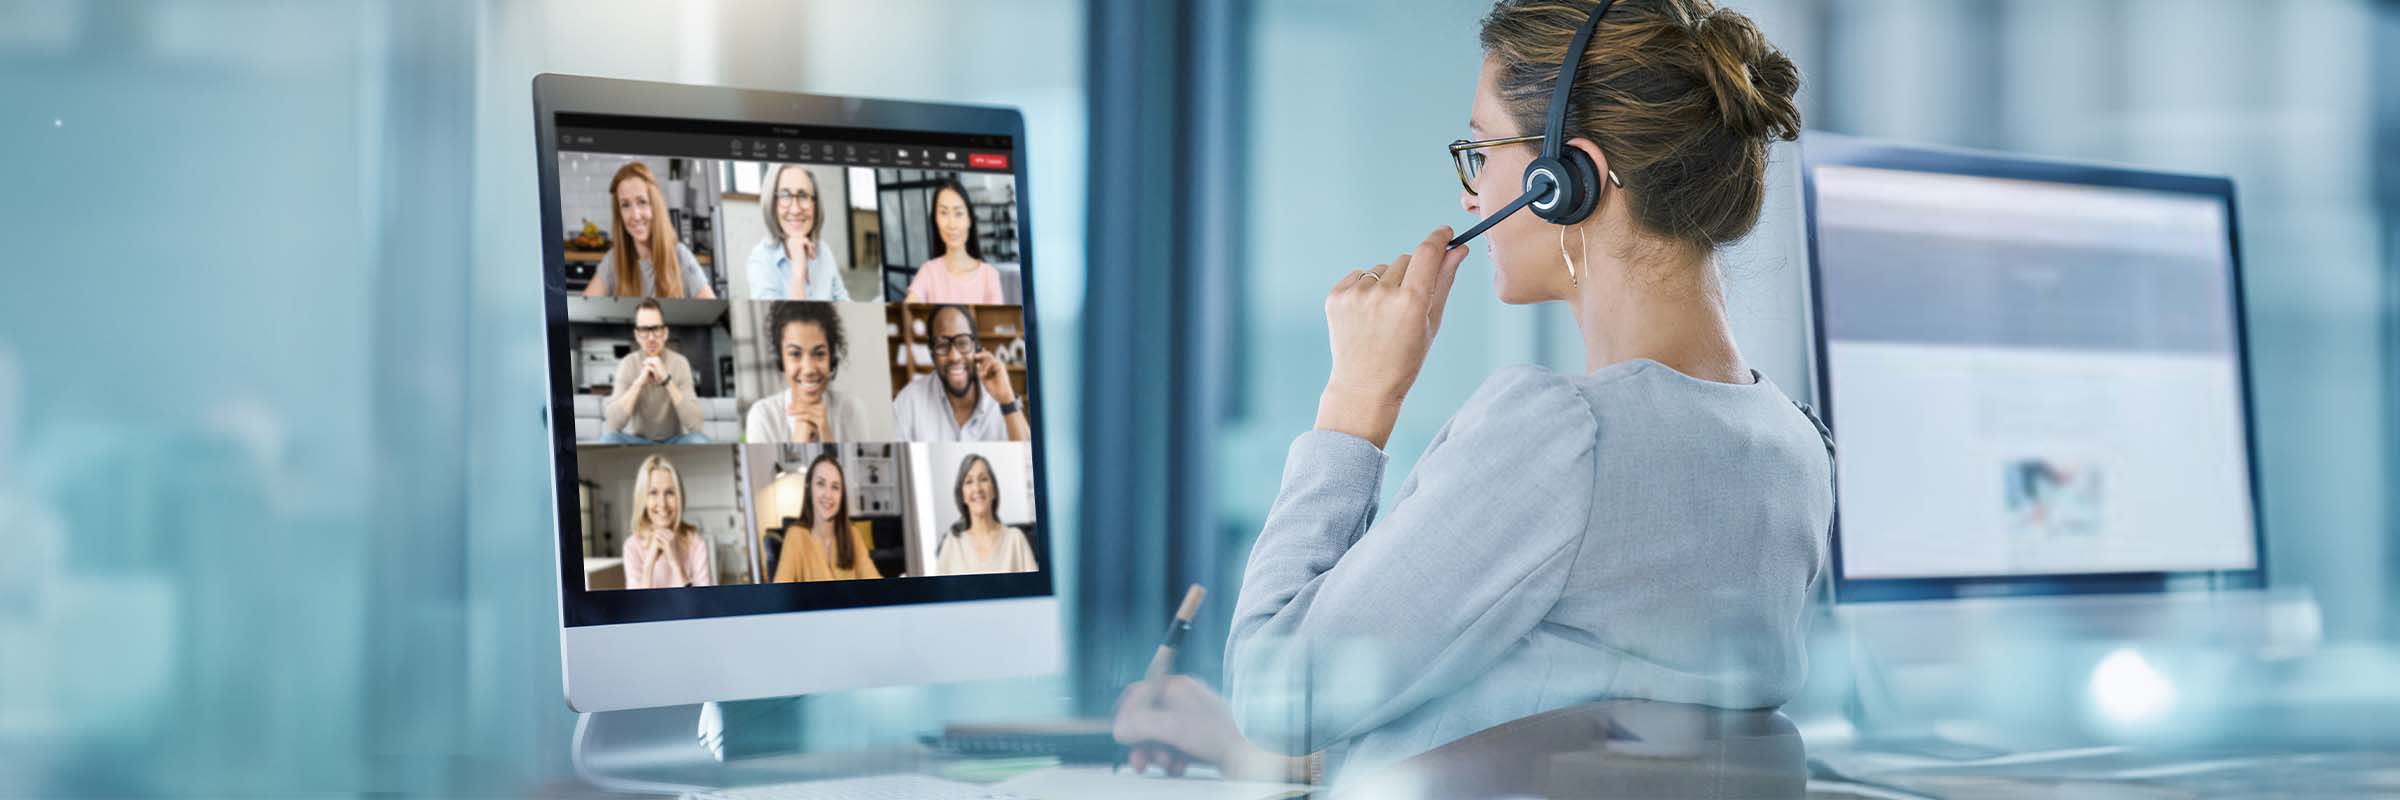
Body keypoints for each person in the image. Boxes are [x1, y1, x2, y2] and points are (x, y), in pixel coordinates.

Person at [1110, 0, 1830, 788]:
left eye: (1482, 152)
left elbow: (1281, 697)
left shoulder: (1565, 436)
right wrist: (1244, 754)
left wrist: (1356, 401)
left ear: (1567, 178)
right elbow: (1552, 738)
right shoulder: (1790, 447)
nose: (1471, 196)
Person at [891, 305, 1029, 442]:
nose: (954, 356)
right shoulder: (908, 401)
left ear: (977, 348)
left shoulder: (1001, 396)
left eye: (962, 343)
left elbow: (1028, 458)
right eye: (942, 345)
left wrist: (1007, 400)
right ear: (932, 354)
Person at [583, 161, 718, 299]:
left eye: (642, 202)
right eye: (625, 205)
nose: (635, 215)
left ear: (655, 205)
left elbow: (712, 310)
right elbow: (584, 309)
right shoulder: (614, 260)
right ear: (619, 213)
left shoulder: (680, 256)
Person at [745, 302, 876, 443]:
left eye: (819, 353)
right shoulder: (763, 416)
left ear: (831, 360)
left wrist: (826, 434)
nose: (808, 370)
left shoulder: (852, 410)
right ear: (780, 361)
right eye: (795, 354)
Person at [600, 299, 708, 444]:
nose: (651, 338)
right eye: (644, 330)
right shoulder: (627, 364)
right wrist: (639, 383)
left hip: (674, 441)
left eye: (656, 329)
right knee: (608, 440)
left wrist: (667, 380)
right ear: (637, 335)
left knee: (699, 440)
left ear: (665, 333)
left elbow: (696, 425)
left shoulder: (680, 362)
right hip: (638, 441)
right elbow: (613, 425)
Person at [771, 452, 883, 582]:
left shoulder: (853, 535)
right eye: (820, 484)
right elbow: (779, 592)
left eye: (835, 487)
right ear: (809, 488)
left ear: (841, 495)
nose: (828, 494)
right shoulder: (795, 536)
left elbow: (875, 583)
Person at [745, 163, 849, 301]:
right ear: (772, 203)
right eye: (785, 195)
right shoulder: (760, 259)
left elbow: (843, 301)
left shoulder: (823, 250)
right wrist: (798, 272)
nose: (795, 209)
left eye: (804, 196)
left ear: (815, 204)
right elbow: (785, 322)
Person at [900, 176, 1005, 304]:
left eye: (958, 213)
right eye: (944, 213)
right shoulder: (928, 272)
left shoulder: (989, 275)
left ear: (969, 220)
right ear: (936, 220)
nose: (951, 224)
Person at [932, 453, 1038, 575]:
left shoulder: (1015, 539)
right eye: (969, 481)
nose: (977, 488)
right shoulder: (952, 543)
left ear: (994, 491)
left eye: (983, 479)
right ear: (962, 495)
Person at [622, 454, 717, 589]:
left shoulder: (696, 544)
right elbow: (636, 607)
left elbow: (703, 604)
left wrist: (676, 563)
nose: (662, 503)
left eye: (670, 493)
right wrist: (649, 564)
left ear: (679, 497)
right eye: (653, 492)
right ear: (643, 498)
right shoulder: (632, 546)